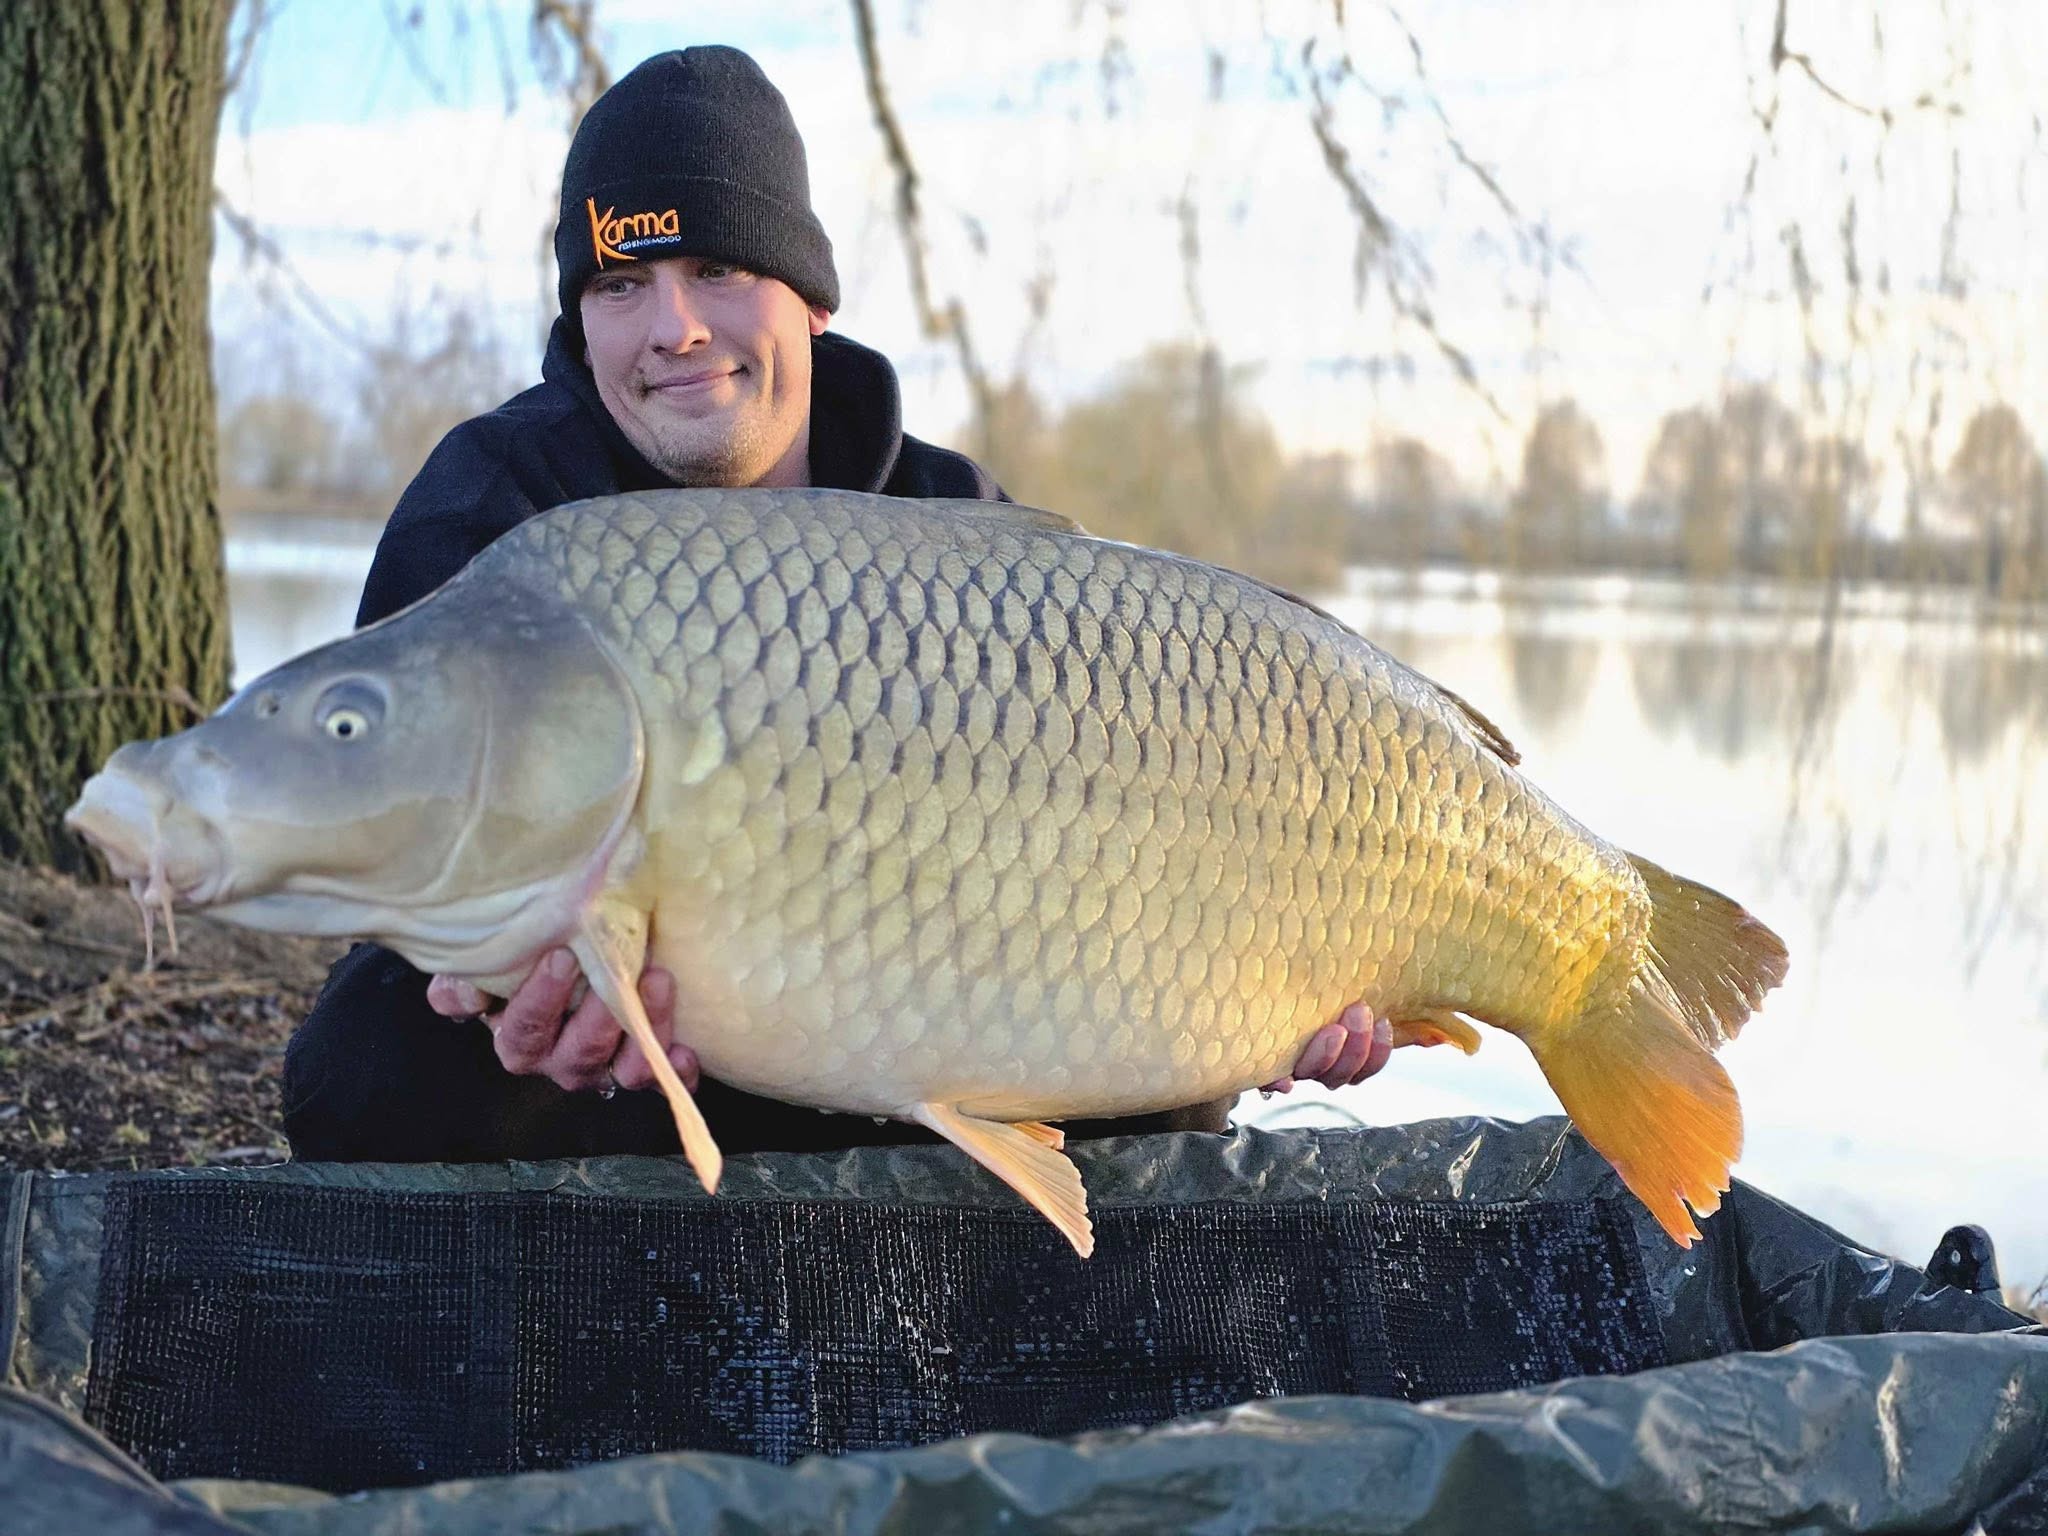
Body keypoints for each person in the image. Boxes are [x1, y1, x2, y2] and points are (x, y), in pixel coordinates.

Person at [281, 45, 1391, 1166]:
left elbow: (1121, 843)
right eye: (621, 285)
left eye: (715, 270)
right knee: (366, 1063)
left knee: (1176, 1075)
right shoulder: (490, 509)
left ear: (809, 300)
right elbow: (390, 826)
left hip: (918, 1012)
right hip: (620, 1060)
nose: (672, 328)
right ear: (583, 317)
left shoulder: (949, 516)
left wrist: (1277, 975)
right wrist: (485, 988)